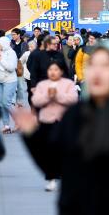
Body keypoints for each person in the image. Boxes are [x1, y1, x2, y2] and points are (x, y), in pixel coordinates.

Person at [15, 40, 109, 214]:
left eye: (105, 66)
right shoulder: (75, 115)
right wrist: (32, 134)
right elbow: (55, 162)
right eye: (92, 65)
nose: (97, 72)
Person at [31, 59, 78, 192]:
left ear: (61, 71)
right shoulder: (42, 84)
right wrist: (48, 96)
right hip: (46, 121)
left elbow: (73, 99)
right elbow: (36, 100)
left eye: (56, 69)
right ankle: (51, 178)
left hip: (63, 121)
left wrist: (57, 95)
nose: (53, 72)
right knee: (48, 151)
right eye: (50, 69)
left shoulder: (68, 84)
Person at [0, 36, 19, 133]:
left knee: (6, 103)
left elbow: (11, 68)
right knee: (0, 104)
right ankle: (6, 125)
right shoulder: (1, 52)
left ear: (4, 43)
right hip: (0, 80)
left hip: (10, 80)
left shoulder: (11, 53)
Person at [18, 40, 36, 107]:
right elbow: (20, 61)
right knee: (30, 92)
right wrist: (22, 69)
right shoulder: (26, 54)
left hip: (36, 77)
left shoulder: (38, 53)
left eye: (31, 47)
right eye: (29, 47)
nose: (30, 48)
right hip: (28, 76)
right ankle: (31, 106)